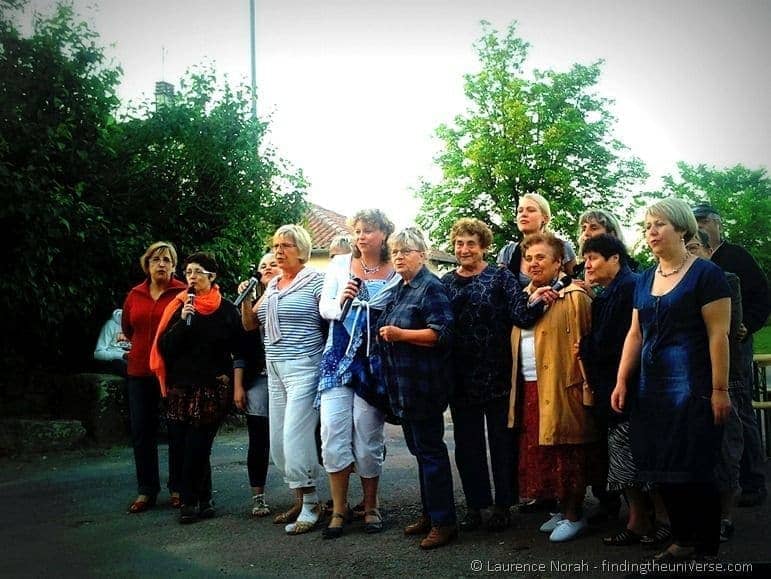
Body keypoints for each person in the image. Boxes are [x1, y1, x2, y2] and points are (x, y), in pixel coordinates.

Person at [612, 198, 731, 560]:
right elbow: (636, 334)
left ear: (681, 228)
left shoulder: (708, 275)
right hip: (652, 392)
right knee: (662, 467)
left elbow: (718, 335)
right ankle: (682, 538)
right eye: (647, 226)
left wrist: (720, 390)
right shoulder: (646, 277)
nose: (651, 232)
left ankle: (706, 547)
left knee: (696, 468)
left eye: (659, 224)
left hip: (693, 388)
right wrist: (621, 381)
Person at [440, 218, 547, 532]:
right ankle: (476, 505)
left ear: (484, 246)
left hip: (499, 373)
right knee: (467, 444)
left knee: (502, 443)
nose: (464, 249)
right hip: (460, 375)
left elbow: (520, 312)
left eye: (471, 243)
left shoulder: (500, 276)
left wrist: (543, 299)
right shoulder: (445, 281)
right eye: (460, 243)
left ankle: (503, 505)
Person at [508, 232, 596, 543]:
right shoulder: (523, 297)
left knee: (566, 452)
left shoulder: (574, 296)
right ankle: (559, 511)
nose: (533, 263)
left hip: (562, 388)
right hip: (531, 385)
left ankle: (575, 515)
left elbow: (587, 345)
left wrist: (586, 387)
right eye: (529, 258)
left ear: (559, 261)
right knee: (543, 452)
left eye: (541, 257)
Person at [240, 224, 326, 535]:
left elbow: (332, 315)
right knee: (278, 443)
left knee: (295, 437)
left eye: (286, 245)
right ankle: (302, 498)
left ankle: (312, 503)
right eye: (276, 245)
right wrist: (248, 299)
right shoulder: (274, 284)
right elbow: (251, 325)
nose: (279, 250)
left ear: (302, 250)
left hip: (304, 365)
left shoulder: (316, 280)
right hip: (274, 367)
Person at [318, 209, 398, 539]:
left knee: (367, 438)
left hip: (373, 360)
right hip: (337, 357)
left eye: (369, 230)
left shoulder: (395, 272)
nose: (361, 236)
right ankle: (338, 509)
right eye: (358, 231)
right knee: (333, 432)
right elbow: (325, 307)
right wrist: (342, 300)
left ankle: (371, 506)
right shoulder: (338, 266)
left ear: (384, 235)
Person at [377, 227, 457, 550]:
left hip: (424, 386)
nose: (398, 256)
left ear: (422, 254)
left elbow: (443, 333)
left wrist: (401, 335)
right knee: (421, 454)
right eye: (395, 251)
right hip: (403, 387)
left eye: (406, 251)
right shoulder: (401, 288)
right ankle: (430, 513)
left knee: (431, 454)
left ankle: (444, 522)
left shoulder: (430, 287)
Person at [152, 252, 243, 524]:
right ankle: (204, 499)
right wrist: (182, 321)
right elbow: (165, 347)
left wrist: (229, 377)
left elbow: (238, 347)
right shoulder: (180, 305)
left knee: (198, 445)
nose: (191, 277)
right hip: (182, 388)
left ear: (211, 277)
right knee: (183, 444)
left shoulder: (226, 309)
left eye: (197, 272)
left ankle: (190, 501)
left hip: (211, 389)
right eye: (188, 272)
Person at [693, 203, 769, 508]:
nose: (698, 224)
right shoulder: (690, 260)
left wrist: (747, 325)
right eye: (693, 220)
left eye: (702, 220)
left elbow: (763, 295)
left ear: (717, 223)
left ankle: (754, 481)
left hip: (737, 344)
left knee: (742, 408)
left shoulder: (737, 257)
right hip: (705, 345)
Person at [577, 235, 650, 546]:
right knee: (624, 456)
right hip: (616, 388)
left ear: (615, 258)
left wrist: (585, 346)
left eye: (593, 258)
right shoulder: (613, 291)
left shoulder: (627, 288)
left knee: (630, 457)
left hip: (628, 390)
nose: (587, 265)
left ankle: (642, 523)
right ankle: (641, 520)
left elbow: (613, 343)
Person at [686, 230, 744, 542]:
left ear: (710, 250)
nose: (690, 253)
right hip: (690, 379)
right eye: (686, 247)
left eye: (695, 247)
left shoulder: (726, 279)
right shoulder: (678, 280)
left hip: (723, 376)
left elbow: (729, 330)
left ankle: (725, 516)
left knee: (726, 450)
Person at [121, 241, 187, 513]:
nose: (162, 264)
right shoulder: (135, 294)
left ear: (174, 266)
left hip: (172, 373)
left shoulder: (183, 292)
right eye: (156, 259)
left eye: (167, 260)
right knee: (141, 431)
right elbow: (127, 327)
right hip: (138, 372)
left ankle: (178, 487)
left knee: (176, 430)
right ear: (147, 264)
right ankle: (146, 490)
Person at [233, 253, 281, 518]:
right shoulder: (250, 302)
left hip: (288, 375)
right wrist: (238, 386)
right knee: (258, 438)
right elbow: (240, 348)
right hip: (258, 378)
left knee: (290, 436)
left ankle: (302, 494)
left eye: (273, 263)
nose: (267, 268)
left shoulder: (291, 296)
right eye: (263, 265)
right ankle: (258, 497)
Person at [496, 192, 577, 281]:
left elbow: (573, 281)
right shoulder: (507, 252)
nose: (523, 214)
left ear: (545, 218)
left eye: (531, 210)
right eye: (520, 211)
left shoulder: (563, 248)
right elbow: (500, 287)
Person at [93, 308, 131, 377]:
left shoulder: (138, 328)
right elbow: (97, 354)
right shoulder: (111, 325)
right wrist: (122, 355)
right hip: (115, 362)